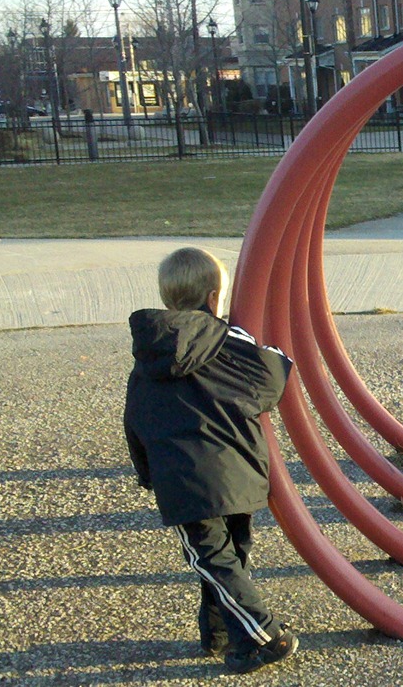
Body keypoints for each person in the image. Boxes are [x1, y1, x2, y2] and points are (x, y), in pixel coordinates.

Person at [124, 247, 298, 674]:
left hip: (184, 481)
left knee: (212, 559)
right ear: (215, 296)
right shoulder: (231, 341)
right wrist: (278, 354)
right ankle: (222, 636)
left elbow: (136, 420)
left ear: (167, 298)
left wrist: (148, 474)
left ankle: (262, 634)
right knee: (230, 557)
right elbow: (269, 382)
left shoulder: (150, 357)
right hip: (239, 468)